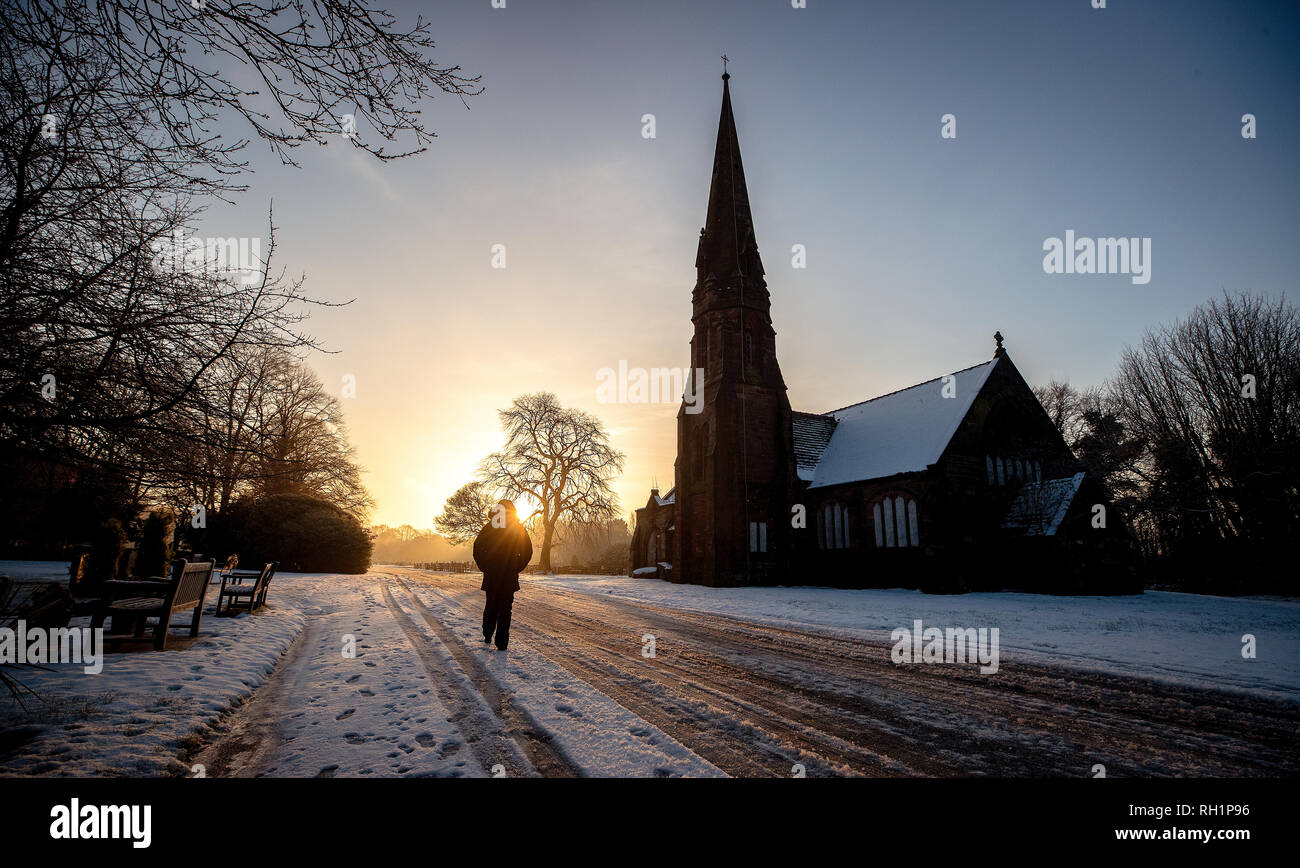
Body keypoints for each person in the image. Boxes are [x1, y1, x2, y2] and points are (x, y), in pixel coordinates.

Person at [472, 499, 532, 651]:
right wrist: (516, 567)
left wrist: (485, 566)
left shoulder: (489, 527)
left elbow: (477, 548)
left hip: (492, 575)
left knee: (491, 605)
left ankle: (487, 633)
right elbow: (527, 551)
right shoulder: (517, 528)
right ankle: (502, 642)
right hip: (508, 576)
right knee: (505, 609)